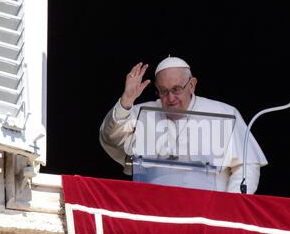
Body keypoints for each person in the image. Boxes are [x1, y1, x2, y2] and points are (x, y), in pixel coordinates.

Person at [99, 56, 267, 193]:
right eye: (163, 91)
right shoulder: (142, 113)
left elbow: (247, 165)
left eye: (176, 89)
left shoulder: (224, 113)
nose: (170, 98)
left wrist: (229, 208)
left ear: (192, 85)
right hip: (153, 208)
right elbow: (111, 137)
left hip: (208, 211)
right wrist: (126, 101)